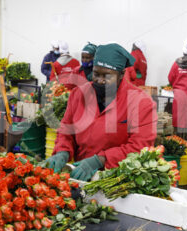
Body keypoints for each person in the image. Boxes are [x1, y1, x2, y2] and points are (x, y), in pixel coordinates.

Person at [46, 43, 157, 181]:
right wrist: (62, 151)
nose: (100, 80)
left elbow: (140, 147)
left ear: (121, 74)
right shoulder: (79, 94)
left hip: (119, 180)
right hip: (81, 174)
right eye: (96, 74)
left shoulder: (141, 102)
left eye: (107, 76)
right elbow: (66, 130)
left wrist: (101, 159)